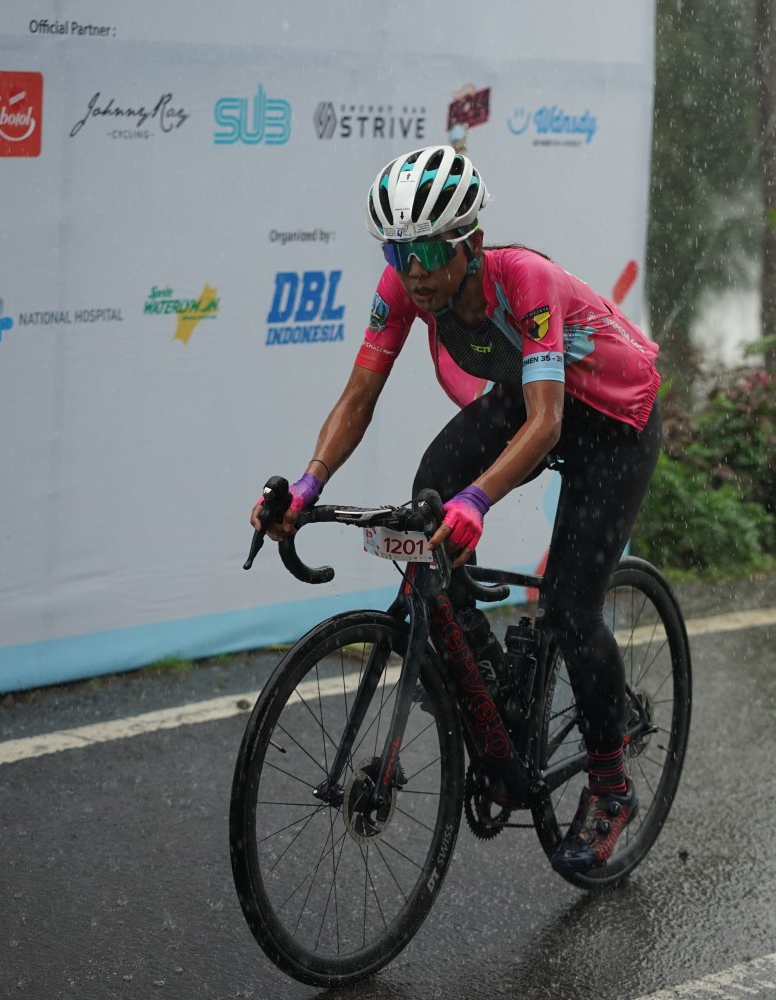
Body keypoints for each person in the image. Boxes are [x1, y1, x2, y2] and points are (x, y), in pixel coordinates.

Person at [251, 144, 662, 874]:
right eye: (398, 251)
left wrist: (480, 500)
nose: (414, 270)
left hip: (612, 424)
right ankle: (491, 683)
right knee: (427, 498)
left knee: (570, 610)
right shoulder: (405, 287)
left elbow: (547, 424)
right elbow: (358, 398)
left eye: (431, 251)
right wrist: (308, 485)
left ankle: (611, 788)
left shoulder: (526, 280)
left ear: (471, 241)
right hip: (531, 402)